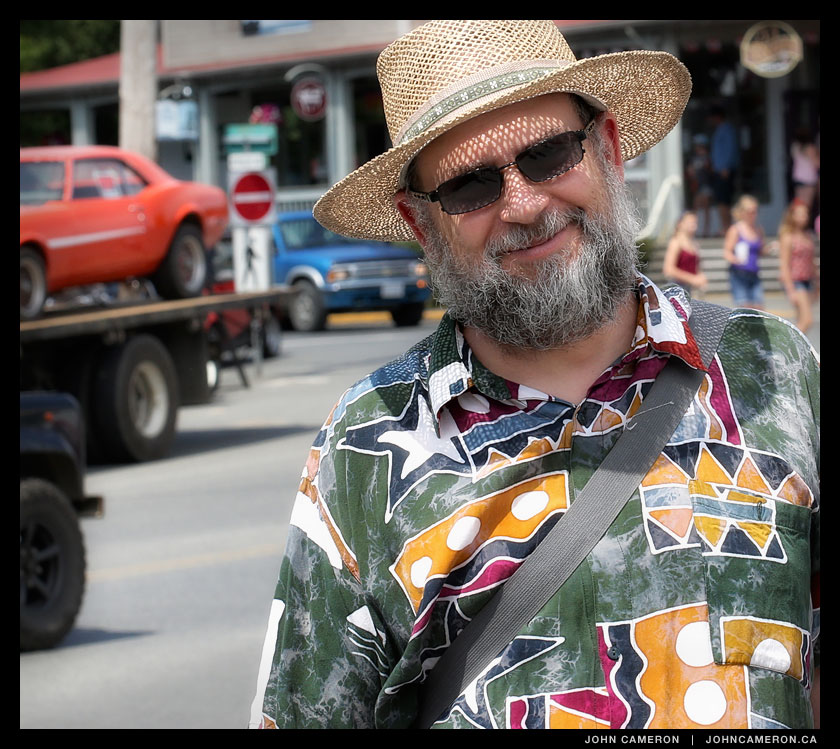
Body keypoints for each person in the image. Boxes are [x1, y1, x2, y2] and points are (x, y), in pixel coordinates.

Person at [250, 20, 819, 730]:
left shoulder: (774, 366)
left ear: (606, 148)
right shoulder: (365, 444)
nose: (523, 203)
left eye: (549, 154)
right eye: (470, 186)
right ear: (421, 224)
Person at [778, 199, 819, 333]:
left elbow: (811, 261)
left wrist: (817, 282)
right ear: (792, 216)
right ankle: (787, 349)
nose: (804, 217)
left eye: (806, 214)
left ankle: (797, 352)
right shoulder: (788, 236)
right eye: (801, 214)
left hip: (807, 280)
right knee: (807, 320)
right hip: (796, 281)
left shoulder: (807, 235)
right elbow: (784, 264)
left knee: (801, 319)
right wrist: (790, 290)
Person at [723, 195, 767, 310]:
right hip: (739, 273)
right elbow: (727, 252)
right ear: (742, 212)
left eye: (755, 211)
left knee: (759, 309)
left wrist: (770, 249)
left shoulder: (758, 230)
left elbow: (760, 251)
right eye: (750, 212)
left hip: (754, 273)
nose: (753, 214)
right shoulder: (736, 230)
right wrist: (736, 259)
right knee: (746, 309)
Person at [662, 211, 708, 296]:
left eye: (695, 223)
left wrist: (700, 277)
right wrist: (692, 279)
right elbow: (669, 269)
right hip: (676, 288)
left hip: (688, 288)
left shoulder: (694, 243)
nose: (694, 226)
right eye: (690, 223)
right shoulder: (675, 242)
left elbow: (696, 267)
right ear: (680, 224)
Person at [709, 106, 739, 234]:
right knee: (721, 200)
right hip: (719, 170)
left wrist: (726, 167)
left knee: (724, 200)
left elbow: (730, 149)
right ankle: (725, 226)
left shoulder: (727, 130)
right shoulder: (720, 130)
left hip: (724, 170)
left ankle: (727, 228)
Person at [686, 134, 713, 236]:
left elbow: (710, 169)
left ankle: (706, 231)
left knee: (706, 207)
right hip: (697, 185)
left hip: (705, 184)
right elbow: (690, 170)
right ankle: (694, 231)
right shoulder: (694, 158)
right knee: (696, 207)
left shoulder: (707, 157)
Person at [790, 128, 820, 220]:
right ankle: (801, 227)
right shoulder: (810, 148)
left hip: (798, 179)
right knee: (805, 207)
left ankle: (796, 225)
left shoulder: (795, 146)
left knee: (799, 204)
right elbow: (817, 163)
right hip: (808, 180)